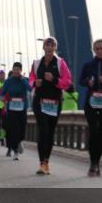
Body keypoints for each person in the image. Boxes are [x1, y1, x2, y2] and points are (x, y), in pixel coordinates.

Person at [28, 37, 73, 175]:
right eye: (47, 45)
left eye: (52, 45)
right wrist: (35, 83)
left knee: (50, 132)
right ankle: (42, 163)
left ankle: (46, 161)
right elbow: (29, 80)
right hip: (39, 102)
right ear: (43, 47)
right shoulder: (36, 63)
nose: (49, 47)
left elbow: (67, 82)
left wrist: (54, 80)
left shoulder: (60, 63)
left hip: (54, 102)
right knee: (43, 130)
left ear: (55, 48)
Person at [79, 38, 102, 177]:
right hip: (91, 103)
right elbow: (80, 81)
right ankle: (92, 163)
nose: (99, 51)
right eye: (97, 48)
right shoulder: (88, 65)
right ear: (94, 50)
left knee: (101, 133)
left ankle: (97, 163)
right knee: (93, 131)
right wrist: (88, 81)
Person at [0, 62, 31, 160]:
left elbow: (30, 89)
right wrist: (3, 99)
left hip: (22, 108)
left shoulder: (24, 80)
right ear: (12, 70)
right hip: (11, 109)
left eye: (18, 69)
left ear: (21, 70)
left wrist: (23, 80)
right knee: (14, 129)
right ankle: (15, 151)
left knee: (22, 129)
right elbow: (2, 94)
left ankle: (20, 141)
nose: (16, 71)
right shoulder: (8, 81)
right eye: (14, 69)